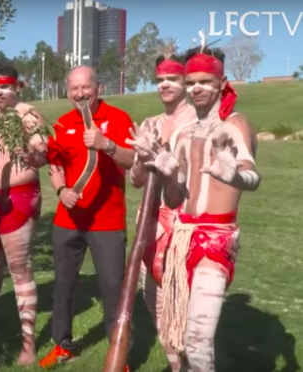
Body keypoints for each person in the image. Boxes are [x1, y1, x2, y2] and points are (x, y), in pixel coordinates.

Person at [143, 45, 260, 371]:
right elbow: (174, 199)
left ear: (221, 83)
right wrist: (167, 174)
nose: (196, 88)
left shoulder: (234, 124)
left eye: (205, 82)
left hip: (216, 242)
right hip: (182, 238)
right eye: (191, 81)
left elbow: (253, 176)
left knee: (197, 340)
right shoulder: (185, 135)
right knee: (179, 333)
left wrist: (234, 175)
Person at [39, 66, 135, 370]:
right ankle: (62, 346)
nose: (79, 94)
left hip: (107, 222)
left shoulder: (118, 119)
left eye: (85, 88)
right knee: (64, 287)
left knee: (112, 290)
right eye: (73, 89)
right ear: (67, 91)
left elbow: (134, 160)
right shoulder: (62, 124)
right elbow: (54, 167)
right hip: (68, 221)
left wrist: (106, 144)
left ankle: (118, 355)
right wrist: (61, 190)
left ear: (98, 87)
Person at [0, 63, 49, 366]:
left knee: (19, 268)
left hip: (19, 199)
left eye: (5, 86)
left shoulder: (28, 114)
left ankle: (28, 345)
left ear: (18, 87)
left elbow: (43, 154)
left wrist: (31, 152)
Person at [125, 53, 197, 372]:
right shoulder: (150, 123)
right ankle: (175, 367)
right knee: (153, 302)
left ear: (186, 82)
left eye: (172, 79)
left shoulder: (199, 124)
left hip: (184, 226)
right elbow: (136, 180)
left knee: (184, 308)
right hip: (149, 226)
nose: (164, 84)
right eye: (159, 80)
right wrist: (140, 157)